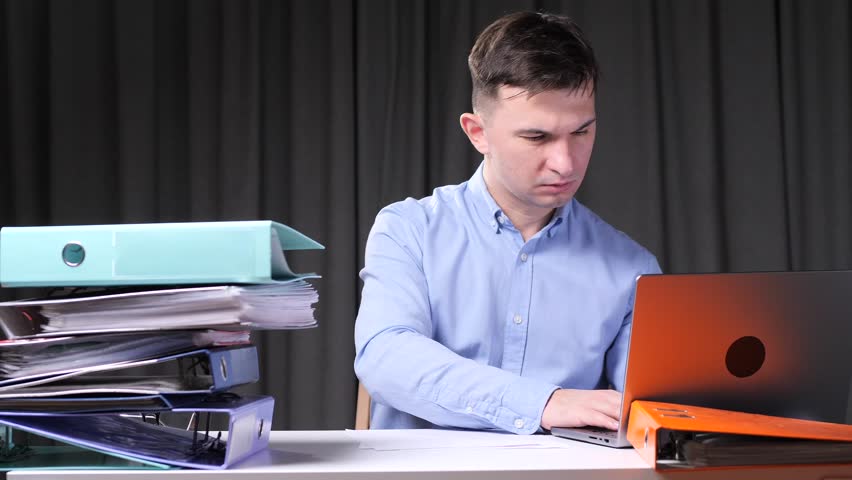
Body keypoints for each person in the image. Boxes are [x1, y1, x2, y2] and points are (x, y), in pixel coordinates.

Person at [354, 11, 661, 434]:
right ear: (477, 133)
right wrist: (543, 403)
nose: (565, 163)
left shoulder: (633, 269)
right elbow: (386, 358)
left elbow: (650, 413)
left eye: (582, 132)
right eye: (537, 138)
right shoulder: (408, 230)